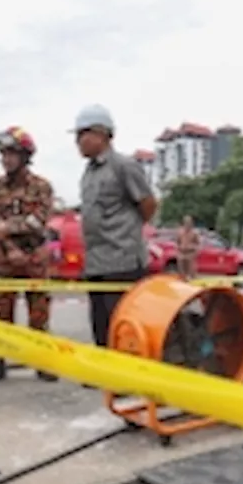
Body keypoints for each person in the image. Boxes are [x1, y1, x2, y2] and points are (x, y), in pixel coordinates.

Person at [75, 104, 156, 347]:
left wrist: (127, 233)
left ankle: (127, 376)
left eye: (83, 134)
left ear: (102, 134)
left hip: (122, 261)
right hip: (97, 262)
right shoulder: (88, 173)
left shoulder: (124, 166)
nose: (79, 141)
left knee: (122, 322)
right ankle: (107, 375)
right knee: (100, 322)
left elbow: (148, 204)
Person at [0, 126, 56, 386]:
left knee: (39, 315)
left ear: (25, 156)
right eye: (3, 154)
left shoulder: (42, 187)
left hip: (34, 258)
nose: (5, 159)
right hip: (3, 258)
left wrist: (9, 230)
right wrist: (11, 247)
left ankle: (43, 364)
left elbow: (38, 222)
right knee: (1, 314)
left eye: (11, 153)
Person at [176, 215, 200, 280]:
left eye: (189, 222)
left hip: (190, 254)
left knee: (191, 273)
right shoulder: (180, 232)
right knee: (181, 273)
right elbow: (177, 243)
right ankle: (182, 281)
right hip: (181, 254)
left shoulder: (195, 233)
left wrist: (193, 250)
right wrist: (179, 249)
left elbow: (198, 245)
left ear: (192, 223)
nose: (187, 224)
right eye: (185, 222)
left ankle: (192, 281)